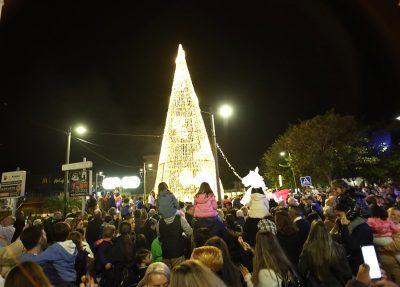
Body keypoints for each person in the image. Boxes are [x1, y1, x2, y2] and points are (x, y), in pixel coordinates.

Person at [298, 221, 352, 286]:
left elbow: (302, 270)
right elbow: (348, 274)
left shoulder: (307, 249)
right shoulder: (338, 248)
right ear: (327, 231)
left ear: (311, 232)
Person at [32, 222, 78, 286]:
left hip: (61, 281)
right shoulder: (73, 246)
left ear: (53, 235)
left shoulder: (55, 249)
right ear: (68, 234)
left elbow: (37, 260)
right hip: (72, 279)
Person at [157, 204, 193, 269]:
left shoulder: (160, 221)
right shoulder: (180, 219)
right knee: (178, 276)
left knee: (167, 276)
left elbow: (159, 236)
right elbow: (189, 232)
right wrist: (182, 235)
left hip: (165, 253)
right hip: (178, 253)